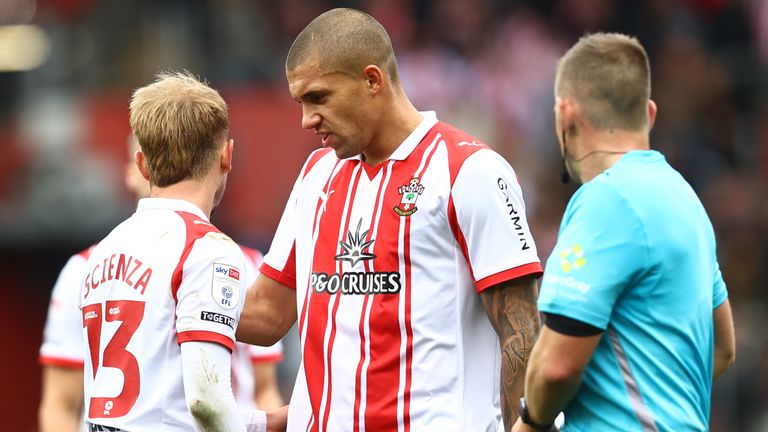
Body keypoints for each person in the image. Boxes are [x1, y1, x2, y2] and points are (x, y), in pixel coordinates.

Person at [236, 8, 542, 432]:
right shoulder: (317, 175)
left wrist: (532, 426)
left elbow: (521, 330)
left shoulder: (469, 171)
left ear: (372, 80)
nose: (307, 120)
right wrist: (176, 291)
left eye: (318, 97)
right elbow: (268, 314)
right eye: (300, 102)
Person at [513, 33, 736, 432]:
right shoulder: (686, 200)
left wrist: (531, 423)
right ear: (648, 114)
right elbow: (721, 349)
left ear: (565, 115)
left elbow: (556, 368)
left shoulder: (607, 200)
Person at [78, 71, 285, 431]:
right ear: (226, 156)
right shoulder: (205, 249)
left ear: (142, 164)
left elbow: (158, 408)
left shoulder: (104, 250)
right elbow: (206, 403)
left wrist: (270, 422)